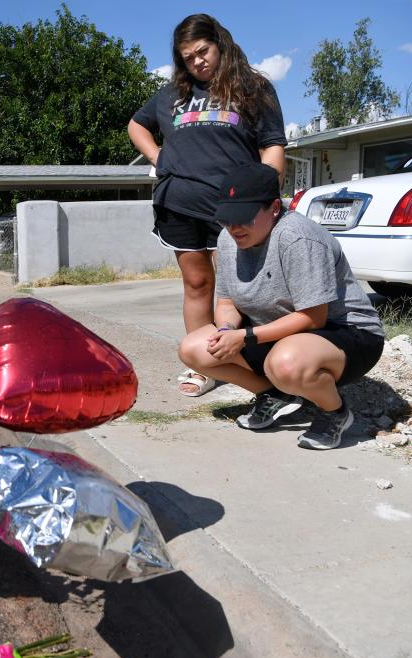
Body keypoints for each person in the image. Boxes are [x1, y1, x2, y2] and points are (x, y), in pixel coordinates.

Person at [127, 13, 287, 397]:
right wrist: (156, 157)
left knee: (239, 289)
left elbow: (273, 147)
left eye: (203, 51)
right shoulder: (172, 95)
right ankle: (203, 364)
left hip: (231, 209)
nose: (197, 61)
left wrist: (266, 198)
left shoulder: (252, 88)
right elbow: (137, 124)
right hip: (177, 204)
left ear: (220, 44)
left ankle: (253, 359)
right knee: (197, 283)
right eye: (187, 57)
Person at [178, 163, 385, 450]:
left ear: (274, 207)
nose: (233, 227)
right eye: (227, 218)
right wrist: (226, 331)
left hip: (347, 334)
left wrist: (246, 338)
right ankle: (275, 394)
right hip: (280, 333)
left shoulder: (298, 237)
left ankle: (335, 412)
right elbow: (226, 300)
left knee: (285, 363)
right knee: (195, 348)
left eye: (243, 218)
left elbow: (314, 317)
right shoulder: (227, 239)